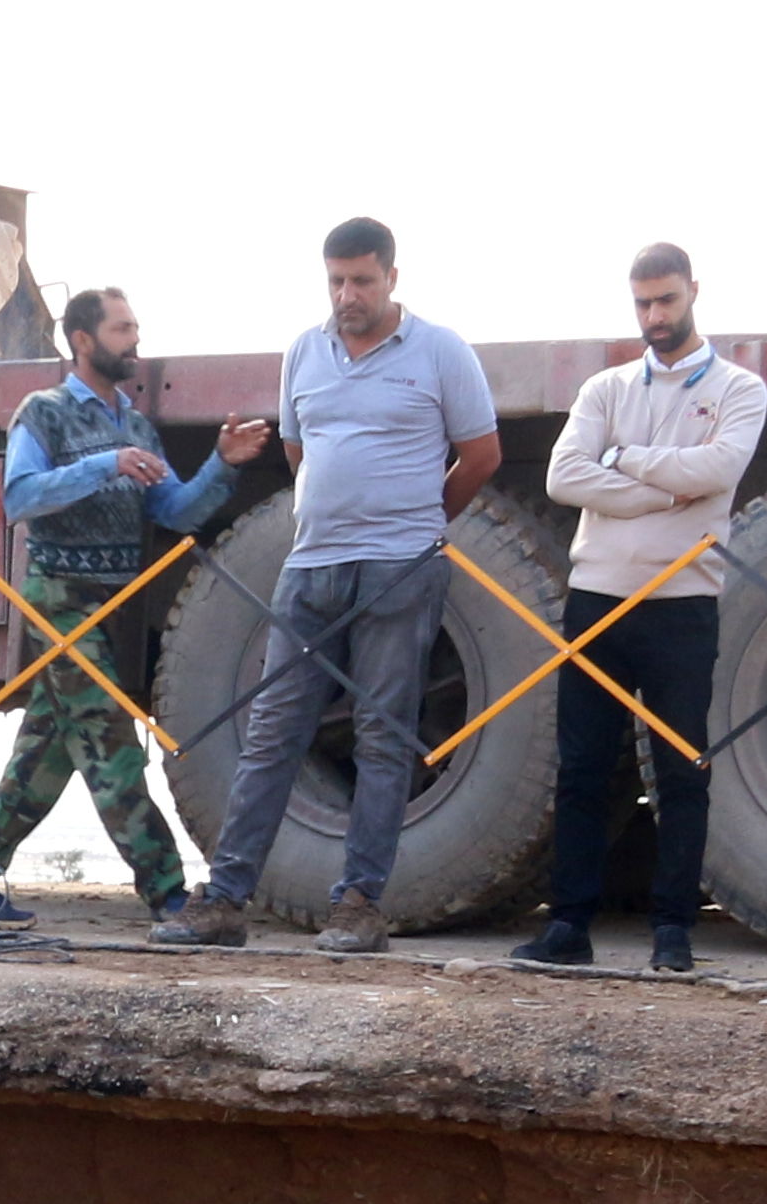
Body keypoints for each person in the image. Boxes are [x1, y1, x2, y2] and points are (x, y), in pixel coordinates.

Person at [148, 217, 502, 958]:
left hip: (400, 571)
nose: (348, 294)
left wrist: (419, 523)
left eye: (363, 280)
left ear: (393, 279)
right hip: (310, 568)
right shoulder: (304, 352)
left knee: (381, 735)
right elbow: (297, 450)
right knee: (273, 731)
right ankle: (224, 899)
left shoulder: (441, 352)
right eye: (337, 281)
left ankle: (360, 903)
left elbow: (481, 454)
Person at [0, 287, 268, 927]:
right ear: (82, 340)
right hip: (57, 598)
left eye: (135, 327)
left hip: (114, 605)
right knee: (113, 742)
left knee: (48, 751)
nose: (134, 340)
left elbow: (174, 511)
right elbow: (21, 497)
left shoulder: (136, 424)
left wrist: (223, 467)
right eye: (121, 329)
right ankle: (169, 893)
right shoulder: (45, 413)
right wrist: (105, 465)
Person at [518, 244, 767, 976]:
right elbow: (567, 478)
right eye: (642, 304)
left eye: (665, 301)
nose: (654, 317)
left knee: (681, 768)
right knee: (584, 766)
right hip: (597, 599)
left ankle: (673, 931)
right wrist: (667, 487)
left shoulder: (739, 389)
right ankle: (568, 926)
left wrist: (623, 460)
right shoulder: (606, 389)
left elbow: (719, 470)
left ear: (693, 292)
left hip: (682, 603)